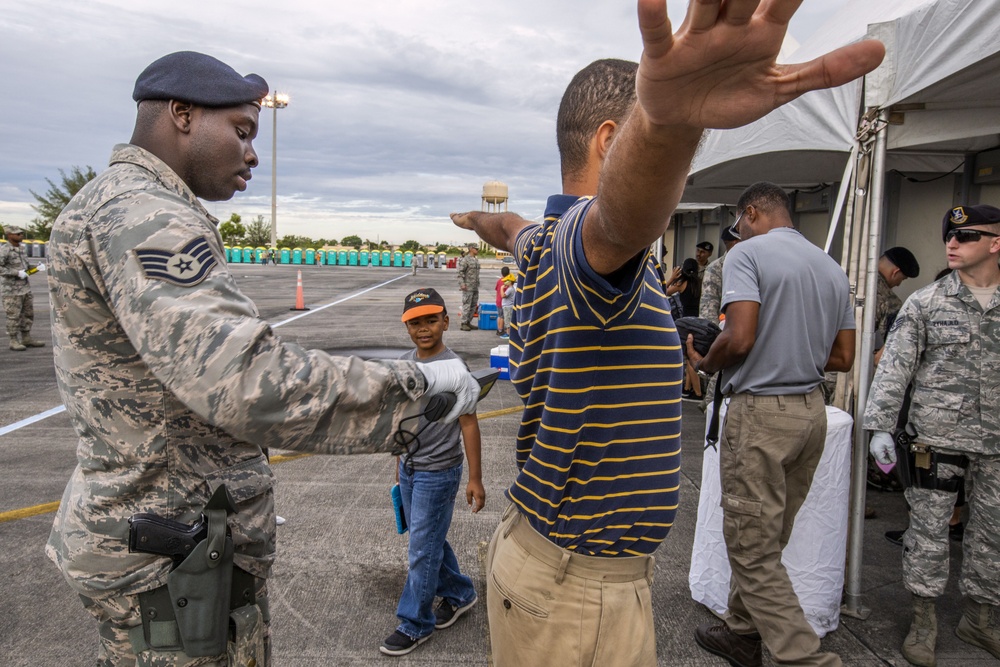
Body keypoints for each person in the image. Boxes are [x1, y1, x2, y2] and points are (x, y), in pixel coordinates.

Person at [451, 1, 882, 659]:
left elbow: (512, 229)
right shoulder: (588, 244)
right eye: (637, 133)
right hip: (576, 590)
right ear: (608, 139)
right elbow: (620, 222)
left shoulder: (541, 238)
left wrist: (487, 221)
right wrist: (670, 122)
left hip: (568, 565)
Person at [44, 51, 480, 667]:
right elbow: (244, 379)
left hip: (168, 542)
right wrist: (419, 391)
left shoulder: (115, 201)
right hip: (174, 562)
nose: (253, 152)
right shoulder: (146, 214)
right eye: (243, 131)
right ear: (183, 114)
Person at [685, 181, 857, 667]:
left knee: (753, 547)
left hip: (762, 413)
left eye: (739, 225)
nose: (736, 235)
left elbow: (738, 339)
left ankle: (804, 659)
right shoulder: (831, 266)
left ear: (753, 213)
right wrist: (792, 344)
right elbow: (842, 357)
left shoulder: (748, 255)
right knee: (768, 534)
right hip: (810, 411)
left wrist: (705, 364)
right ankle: (742, 633)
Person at [865, 204, 1000, 667]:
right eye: (950, 236)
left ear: (996, 243)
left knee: (993, 536)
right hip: (936, 440)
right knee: (927, 533)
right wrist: (881, 426)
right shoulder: (926, 302)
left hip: (997, 443)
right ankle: (923, 621)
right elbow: (893, 369)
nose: (953, 244)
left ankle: (979, 619)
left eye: (967, 236)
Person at [380, 288, 484, 656]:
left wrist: (475, 478)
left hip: (439, 472)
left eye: (430, 320)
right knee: (429, 539)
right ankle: (459, 592)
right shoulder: (406, 364)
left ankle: (415, 622)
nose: (423, 328)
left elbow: (469, 423)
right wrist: (398, 464)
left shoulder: (455, 368)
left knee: (421, 549)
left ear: (445, 321)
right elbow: (403, 421)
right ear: (407, 327)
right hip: (410, 467)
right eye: (415, 322)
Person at [0, 224, 46, 351]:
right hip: (11, 290)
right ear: (10, 235)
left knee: (28, 314)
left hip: (25, 288)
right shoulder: (5, 250)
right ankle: (13, 340)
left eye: (21, 233)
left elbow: (26, 270)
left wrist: (36, 268)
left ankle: (26, 338)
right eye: (18, 234)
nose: (21, 235)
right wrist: (16, 273)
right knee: (13, 316)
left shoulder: (21, 249)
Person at [874, 246, 920, 363]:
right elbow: (895, 344)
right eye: (902, 279)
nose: (898, 284)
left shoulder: (846, 275)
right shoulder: (890, 300)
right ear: (895, 272)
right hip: (845, 373)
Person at [456, 242, 480, 330]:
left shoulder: (475, 260)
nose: (477, 250)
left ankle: (468, 322)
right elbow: (460, 272)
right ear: (470, 249)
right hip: (467, 287)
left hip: (475, 287)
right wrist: (462, 284)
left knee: (473, 306)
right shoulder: (465, 260)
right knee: (467, 305)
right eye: (476, 249)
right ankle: (463, 323)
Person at [493, 266, 510, 336]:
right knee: (503, 316)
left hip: (498, 301)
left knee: (499, 316)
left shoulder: (499, 281)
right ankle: (501, 330)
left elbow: (496, 289)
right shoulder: (507, 282)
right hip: (503, 302)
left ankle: (498, 329)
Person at [500, 271, 515, 339]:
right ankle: (508, 332)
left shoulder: (510, 289)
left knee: (508, 320)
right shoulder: (510, 289)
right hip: (507, 306)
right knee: (507, 320)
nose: (504, 282)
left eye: (506, 281)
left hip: (508, 307)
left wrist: (502, 288)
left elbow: (503, 295)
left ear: (510, 282)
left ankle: (508, 333)